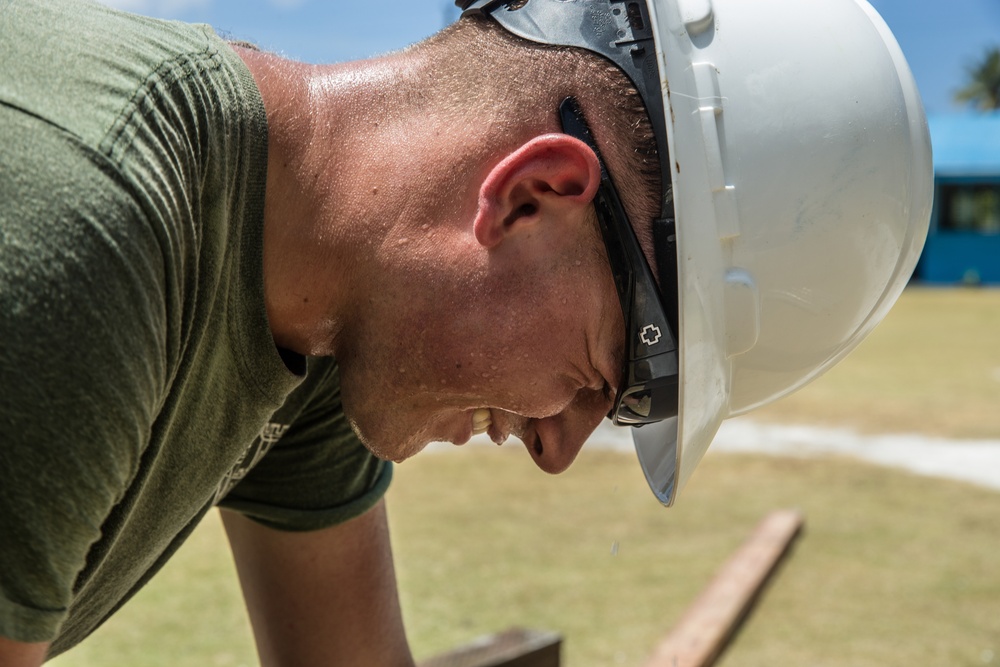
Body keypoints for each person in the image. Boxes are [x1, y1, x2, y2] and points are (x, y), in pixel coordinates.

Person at [0, 0, 931, 664]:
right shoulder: (83, 226)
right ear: (532, 197)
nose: (558, 448)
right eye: (618, 376)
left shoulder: (319, 329)